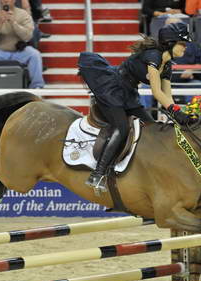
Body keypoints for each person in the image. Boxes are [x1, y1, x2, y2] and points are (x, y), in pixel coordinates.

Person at [78, 22, 194, 192]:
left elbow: (167, 96)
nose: (185, 48)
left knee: (152, 128)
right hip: (113, 89)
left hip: (129, 93)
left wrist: (177, 113)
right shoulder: (153, 56)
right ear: (170, 43)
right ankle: (98, 174)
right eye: (182, 44)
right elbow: (156, 91)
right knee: (122, 127)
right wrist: (175, 111)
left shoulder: (168, 65)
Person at [0, 0, 45, 88]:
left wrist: (14, 23)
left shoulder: (23, 14)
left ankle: (37, 86)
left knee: (35, 54)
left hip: (19, 51)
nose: (5, 1)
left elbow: (27, 36)